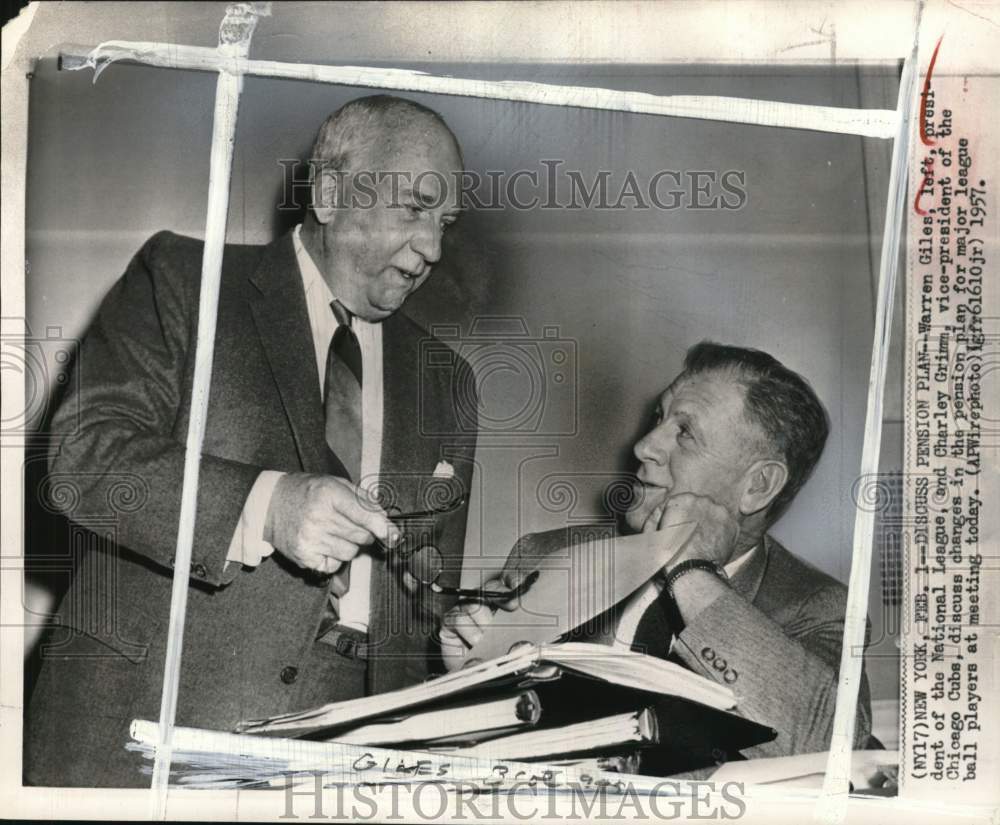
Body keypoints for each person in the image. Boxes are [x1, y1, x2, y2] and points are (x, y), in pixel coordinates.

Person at [26, 95, 478, 787]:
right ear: (329, 193)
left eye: (445, 222)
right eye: (414, 209)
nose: (433, 249)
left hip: (346, 766)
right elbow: (81, 460)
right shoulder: (184, 279)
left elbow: (423, 591)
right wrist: (265, 504)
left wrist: (460, 640)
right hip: (150, 729)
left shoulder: (448, 381)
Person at [440, 341, 872, 760]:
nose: (644, 446)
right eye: (659, 417)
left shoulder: (819, 607)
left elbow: (831, 747)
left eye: (685, 433)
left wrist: (692, 571)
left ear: (758, 487)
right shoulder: (544, 556)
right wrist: (471, 680)